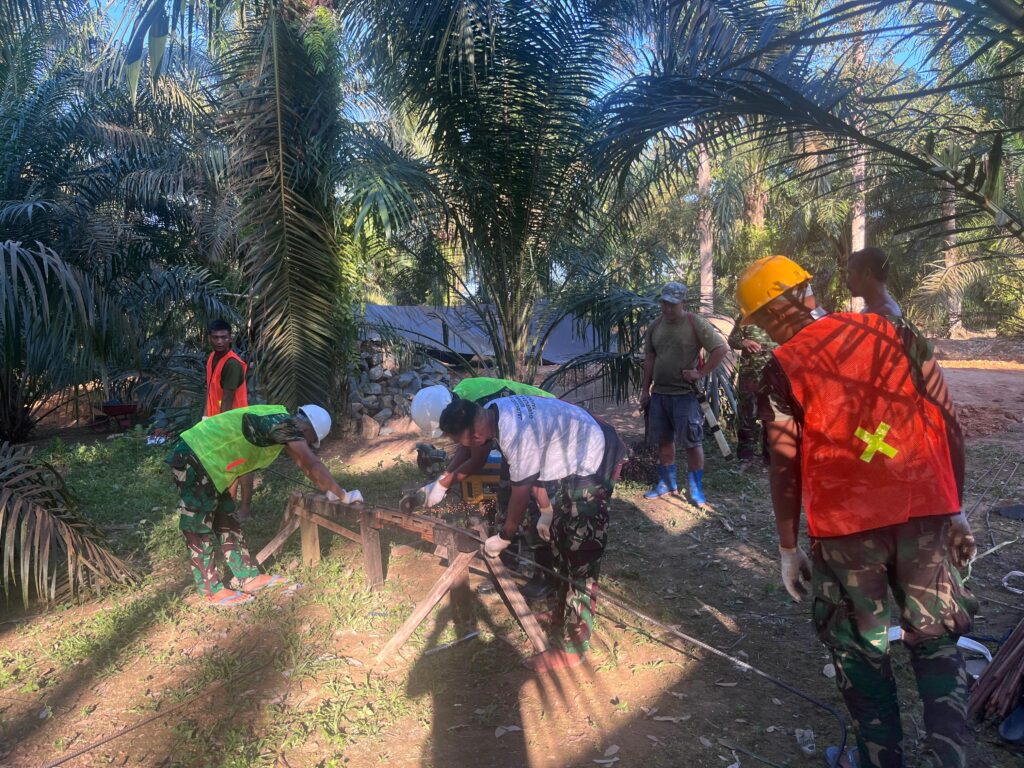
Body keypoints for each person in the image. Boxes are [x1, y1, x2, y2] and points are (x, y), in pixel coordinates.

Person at [737, 254, 977, 768]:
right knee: (935, 641)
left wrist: (787, 547)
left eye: (759, 321)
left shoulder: (782, 367)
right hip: (924, 511)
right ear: (808, 291)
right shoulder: (893, 329)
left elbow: (784, 464)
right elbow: (945, 415)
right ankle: (949, 759)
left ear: (766, 317)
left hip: (847, 532)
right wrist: (955, 508)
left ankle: (879, 759)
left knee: (860, 649)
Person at [437, 394, 625, 672]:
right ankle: (560, 612)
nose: (464, 448)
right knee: (561, 535)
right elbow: (533, 468)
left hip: (598, 454)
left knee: (581, 550)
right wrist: (547, 511)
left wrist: (504, 536)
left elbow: (520, 493)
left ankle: (574, 647)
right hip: (578, 452)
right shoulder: (493, 413)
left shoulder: (514, 435)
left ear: (476, 437)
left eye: (462, 443)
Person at [168, 403, 362, 607]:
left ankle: (247, 576)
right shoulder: (282, 424)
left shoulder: (281, 426)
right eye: (311, 441)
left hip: (213, 464)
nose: (308, 445)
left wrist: (330, 490)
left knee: (226, 518)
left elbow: (303, 463)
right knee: (197, 523)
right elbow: (310, 462)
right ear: (307, 430)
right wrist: (343, 495)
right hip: (195, 456)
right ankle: (211, 590)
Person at [411, 378, 558, 600]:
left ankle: (546, 577)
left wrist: (443, 485)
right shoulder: (460, 399)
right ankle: (506, 566)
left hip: (543, 428)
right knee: (505, 498)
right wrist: (442, 479)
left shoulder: (477, 404)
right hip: (517, 436)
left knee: (531, 504)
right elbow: (465, 447)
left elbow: (477, 459)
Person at [639, 281, 728, 504]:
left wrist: (700, 373)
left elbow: (720, 349)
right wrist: (645, 390)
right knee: (664, 441)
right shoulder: (655, 326)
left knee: (692, 442)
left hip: (685, 395)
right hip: (660, 394)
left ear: (683, 303)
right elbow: (649, 359)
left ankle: (695, 489)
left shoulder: (694, 323)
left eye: (672, 304)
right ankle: (667, 484)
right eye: (664, 303)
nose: (667, 308)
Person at [726, 312, 774, 461]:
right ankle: (746, 457)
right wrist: (743, 342)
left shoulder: (781, 314)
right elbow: (732, 340)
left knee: (773, 416)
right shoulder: (746, 315)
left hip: (774, 376)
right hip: (750, 375)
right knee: (747, 415)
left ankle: (770, 457)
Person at [205, 319, 248, 418]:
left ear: (230, 339)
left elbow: (227, 401)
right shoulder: (212, 357)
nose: (219, 342)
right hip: (215, 419)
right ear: (209, 339)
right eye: (215, 337)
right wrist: (205, 418)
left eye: (224, 337)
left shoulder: (232, 364)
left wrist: (221, 425)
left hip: (231, 421)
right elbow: (209, 390)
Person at [846, 247, 903, 317]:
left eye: (850, 273)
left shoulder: (887, 312)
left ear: (867, 274)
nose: (847, 280)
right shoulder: (869, 310)